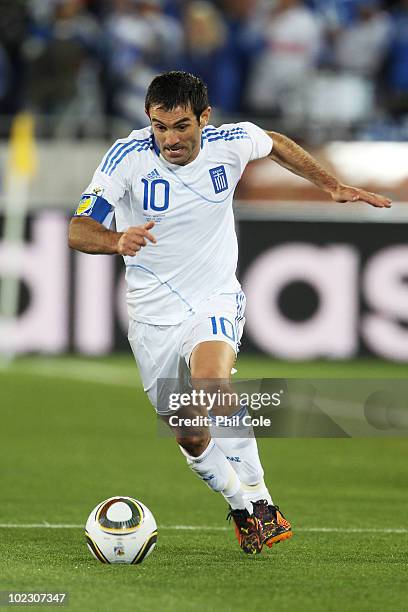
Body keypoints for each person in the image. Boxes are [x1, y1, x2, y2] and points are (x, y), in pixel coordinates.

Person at [68, 71, 391, 555]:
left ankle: (263, 502)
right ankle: (239, 504)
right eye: (159, 127)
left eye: (180, 126)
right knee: (189, 431)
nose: (170, 139)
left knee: (213, 385)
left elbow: (275, 143)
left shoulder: (230, 142)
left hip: (214, 297)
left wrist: (332, 185)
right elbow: (77, 230)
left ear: (204, 118)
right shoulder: (126, 158)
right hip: (151, 314)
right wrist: (116, 240)